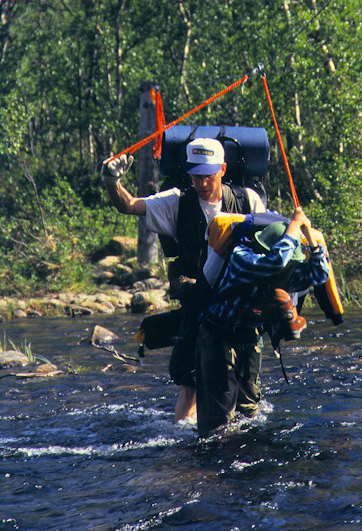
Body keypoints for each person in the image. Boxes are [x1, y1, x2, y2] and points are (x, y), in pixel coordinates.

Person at [101, 138, 266, 421]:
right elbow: (128, 205)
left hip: (239, 305)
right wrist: (110, 181)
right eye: (195, 174)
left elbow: (267, 246)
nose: (201, 182)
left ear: (223, 169)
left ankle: (241, 439)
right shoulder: (176, 202)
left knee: (245, 388)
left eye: (207, 175)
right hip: (196, 302)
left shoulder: (246, 200)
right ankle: (184, 443)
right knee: (190, 381)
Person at [195, 207, 330, 437]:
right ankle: (213, 463)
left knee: (248, 412)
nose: (289, 267)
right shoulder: (242, 257)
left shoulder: (285, 268)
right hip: (218, 337)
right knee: (219, 420)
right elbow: (275, 262)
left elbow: (320, 274)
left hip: (248, 338)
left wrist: (310, 239)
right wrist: (295, 224)